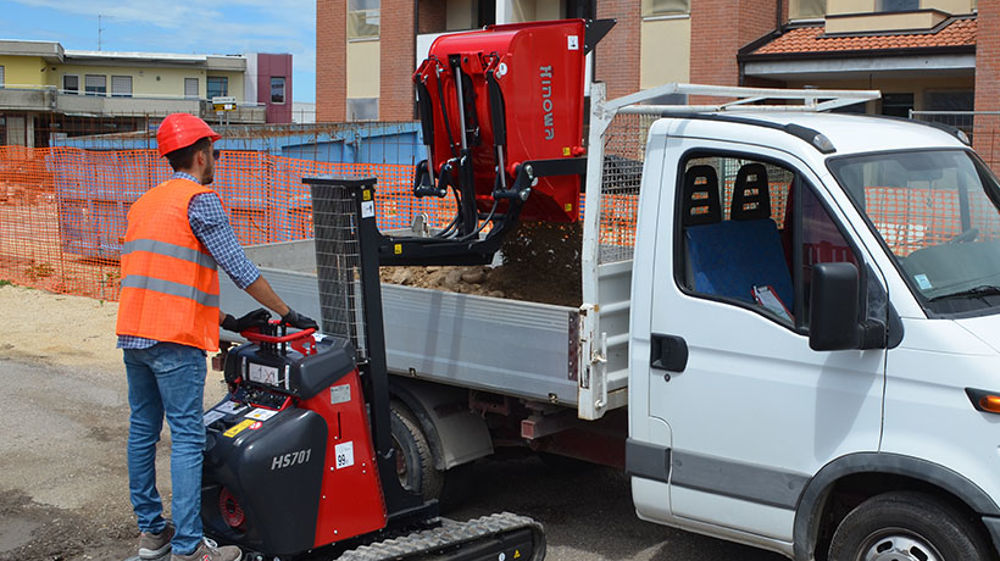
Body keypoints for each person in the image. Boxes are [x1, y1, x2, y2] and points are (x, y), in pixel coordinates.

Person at [116, 113, 318, 561]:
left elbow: (161, 276)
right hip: (174, 339)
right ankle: (191, 548)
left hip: (134, 333)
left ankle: (153, 535)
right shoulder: (199, 200)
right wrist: (285, 312)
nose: (217, 162)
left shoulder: (145, 204)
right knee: (188, 437)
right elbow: (239, 267)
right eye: (216, 154)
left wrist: (225, 319)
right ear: (202, 154)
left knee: (143, 432)